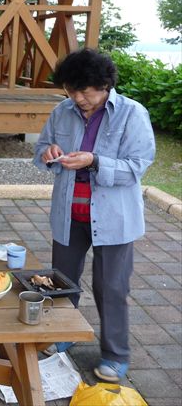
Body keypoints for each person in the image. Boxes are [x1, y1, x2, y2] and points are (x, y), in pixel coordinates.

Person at [33, 48, 155, 382]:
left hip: (114, 219)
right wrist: (47, 152)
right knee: (62, 281)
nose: (78, 98)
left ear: (104, 85)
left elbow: (137, 166)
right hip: (69, 213)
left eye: (85, 92)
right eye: (71, 91)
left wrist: (95, 161)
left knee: (110, 287)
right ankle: (63, 333)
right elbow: (40, 148)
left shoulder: (132, 113)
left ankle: (116, 354)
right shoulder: (62, 111)